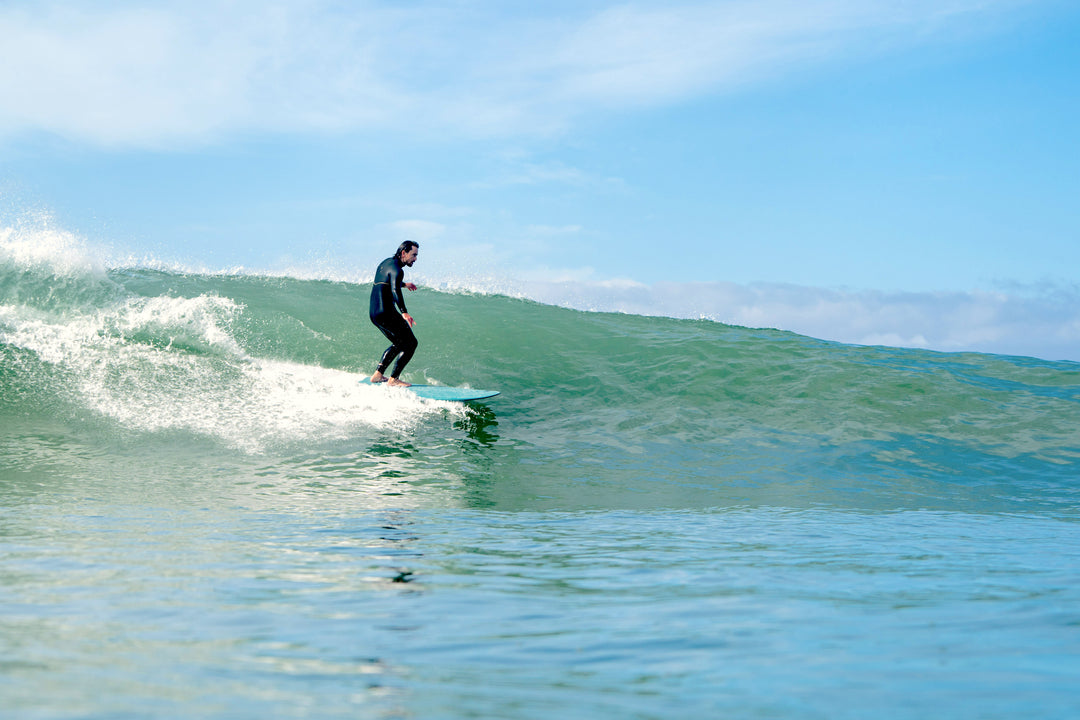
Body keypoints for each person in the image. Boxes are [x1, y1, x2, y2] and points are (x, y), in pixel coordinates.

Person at [369, 241, 419, 387]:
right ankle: (394, 379)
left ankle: (378, 375)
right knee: (411, 343)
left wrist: (405, 284)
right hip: (386, 312)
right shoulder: (398, 270)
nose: (415, 259)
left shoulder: (386, 263)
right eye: (413, 255)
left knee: (399, 342)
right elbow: (394, 290)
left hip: (374, 313)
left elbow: (390, 282)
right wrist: (404, 312)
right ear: (403, 253)